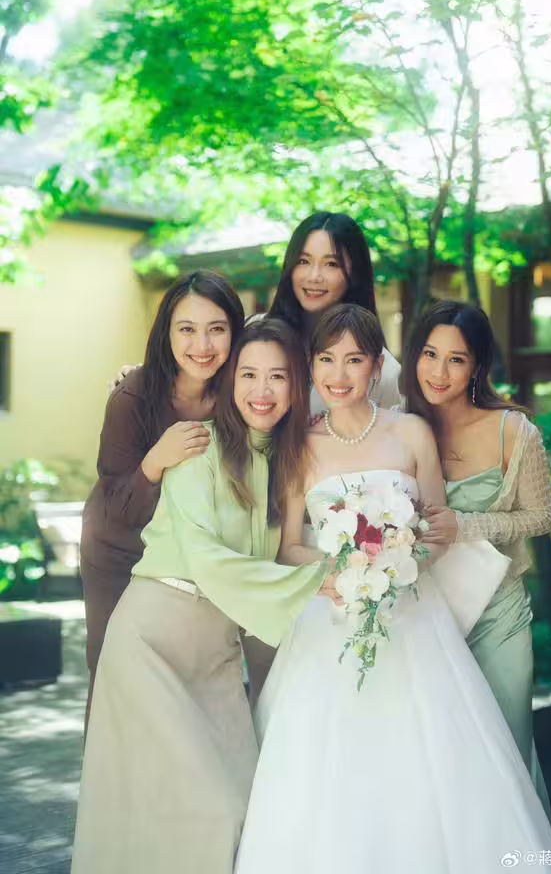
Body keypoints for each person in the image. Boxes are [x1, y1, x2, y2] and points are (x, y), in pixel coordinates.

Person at [235, 305, 551, 874]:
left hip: (413, 613)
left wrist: (395, 565)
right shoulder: (298, 443)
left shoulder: (411, 430)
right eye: (326, 360)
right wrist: (342, 575)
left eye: (354, 360)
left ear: (376, 366)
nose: (339, 374)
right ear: (310, 366)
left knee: (437, 758)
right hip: (331, 616)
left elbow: (436, 530)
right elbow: (289, 546)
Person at [71, 319, 334, 874]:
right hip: (152, 645)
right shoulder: (198, 445)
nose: (262, 390)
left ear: (298, 385)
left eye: (278, 376)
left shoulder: (287, 462)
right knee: (209, 811)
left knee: (248, 806)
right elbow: (206, 559)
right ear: (229, 380)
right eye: (249, 374)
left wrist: (353, 570)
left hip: (216, 658)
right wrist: (313, 583)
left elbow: (283, 553)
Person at [403, 299, 551, 810]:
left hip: (497, 612)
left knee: (506, 750)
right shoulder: (401, 426)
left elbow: (542, 516)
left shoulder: (514, 430)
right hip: (424, 617)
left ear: (476, 367)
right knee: (438, 760)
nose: (438, 371)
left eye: (456, 359)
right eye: (429, 354)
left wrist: (466, 526)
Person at [80, 271, 245, 707]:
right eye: (186, 329)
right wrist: (155, 460)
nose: (202, 345)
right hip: (121, 551)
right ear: (166, 334)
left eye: (217, 329)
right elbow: (116, 504)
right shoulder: (133, 396)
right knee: (116, 678)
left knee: (184, 684)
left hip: (192, 555)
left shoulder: (240, 394)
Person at [269, 211, 402, 413]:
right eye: (303, 261)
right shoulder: (252, 335)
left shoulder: (384, 369)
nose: (314, 276)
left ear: (354, 273)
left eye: (331, 264)